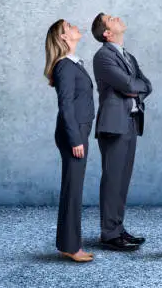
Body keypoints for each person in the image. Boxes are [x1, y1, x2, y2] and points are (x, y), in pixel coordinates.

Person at [91, 13, 153, 251]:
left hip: (130, 122)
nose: (116, 18)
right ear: (107, 33)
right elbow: (129, 85)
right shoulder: (103, 57)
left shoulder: (127, 55)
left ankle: (117, 229)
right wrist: (133, 87)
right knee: (113, 179)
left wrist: (134, 88)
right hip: (113, 125)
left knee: (122, 180)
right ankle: (109, 233)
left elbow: (146, 84)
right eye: (110, 19)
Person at [44, 19, 95, 262]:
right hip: (72, 134)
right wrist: (76, 139)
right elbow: (65, 106)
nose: (76, 28)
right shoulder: (64, 66)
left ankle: (68, 243)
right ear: (64, 37)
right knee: (73, 191)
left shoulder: (73, 64)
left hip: (78, 131)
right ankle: (71, 247)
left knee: (73, 189)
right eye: (70, 26)